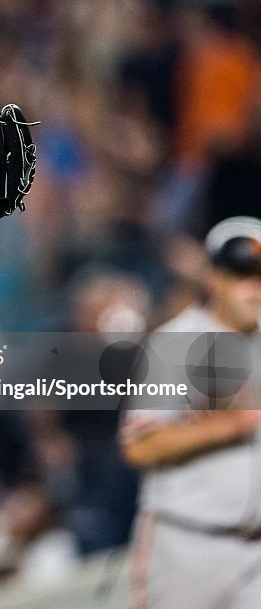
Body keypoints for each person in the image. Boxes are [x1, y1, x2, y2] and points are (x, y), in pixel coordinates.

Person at [120, 216, 261, 609]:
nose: (255, 289)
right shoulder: (176, 343)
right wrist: (227, 427)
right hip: (189, 548)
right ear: (214, 278)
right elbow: (139, 447)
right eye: (243, 276)